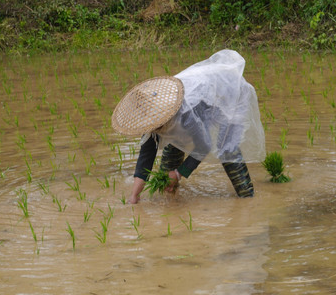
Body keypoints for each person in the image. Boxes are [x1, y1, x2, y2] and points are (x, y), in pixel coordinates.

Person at [111, 49, 266, 204]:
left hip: (230, 93)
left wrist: (179, 173)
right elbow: (146, 156)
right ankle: (173, 203)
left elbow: (204, 146)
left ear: (164, 117)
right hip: (203, 96)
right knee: (173, 147)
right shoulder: (152, 118)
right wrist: (135, 195)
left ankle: (247, 199)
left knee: (227, 148)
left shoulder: (184, 113)